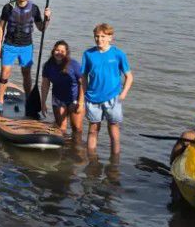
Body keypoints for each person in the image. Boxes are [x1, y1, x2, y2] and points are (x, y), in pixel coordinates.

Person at [0, 0, 51, 113]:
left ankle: (27, 99)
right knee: (5, 73)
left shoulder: (34, 9)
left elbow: (41, 28)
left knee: (26, 73)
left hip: (26, 46)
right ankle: (0, 101)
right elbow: (1, 27)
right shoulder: (8, 7)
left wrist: (47, 18)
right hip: (9, 45)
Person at [81, 23, 133, 155]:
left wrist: (123, 94)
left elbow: (129, 77)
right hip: (92, 98)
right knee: (93, 129)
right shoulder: (88, 54)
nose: (99, 39)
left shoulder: (118, 54)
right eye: (97, 36)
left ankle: (115, 159)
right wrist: (85, 93)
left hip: (113, 97)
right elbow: (83, 76)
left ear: (110, 37)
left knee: (113, 129)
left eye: (103, 36)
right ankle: (91, 158)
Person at [40, 40, 84, 135]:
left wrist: (80, 102)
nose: (59, 53)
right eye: (57, 50)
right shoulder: (48, 65)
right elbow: (45, 85)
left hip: (74, 99)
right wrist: (43, 103)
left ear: (66, 53)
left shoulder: (74, 65)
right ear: (53, 51)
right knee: (61, 128)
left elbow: (83, 83)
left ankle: (76, 144)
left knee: (76, 128)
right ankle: (61, 142)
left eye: (62, 51)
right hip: (58, 99)